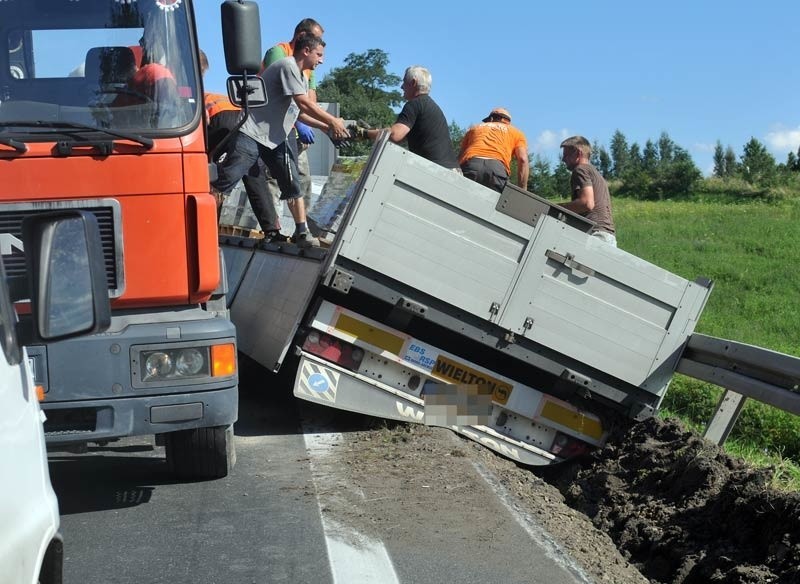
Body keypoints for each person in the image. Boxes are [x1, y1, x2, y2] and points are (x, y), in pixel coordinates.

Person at [211, 35, 349, 248]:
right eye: (319, 55)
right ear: (306, 51)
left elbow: (298, 113)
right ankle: (205, 225)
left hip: (275, 138)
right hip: (252, 133)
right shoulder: (287, 66)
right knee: (226, 180)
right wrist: (332, 120)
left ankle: (301, 231)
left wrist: (326, 128)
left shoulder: (302, 77)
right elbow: (303, 104)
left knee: (292, 182)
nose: (321, 60)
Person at [200, 51, 285, 238]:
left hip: (218, 118)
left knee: (204, 171)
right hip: (241, 118)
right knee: (253, 171)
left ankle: (207, 228)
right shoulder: (212, 94)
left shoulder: (192, 91)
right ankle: (271, 227)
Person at [260, 18, 324, 236]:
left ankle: (301, 229)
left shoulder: (309, 66)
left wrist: (308, 123)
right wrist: (312, 121)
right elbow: (278, 95)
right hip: (272, 127)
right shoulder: (279, 53)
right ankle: (273, 229)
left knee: (302, 179)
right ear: (301, 38)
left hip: (294, 127)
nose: (319, 45)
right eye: (316, 39)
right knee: (276, 179)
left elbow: (309, 99)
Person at [353, 66, 459, 170]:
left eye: (404, 82)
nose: (402, 87)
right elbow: (401, 138)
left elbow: (395, 135)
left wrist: (364, 133)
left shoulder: (414, 104)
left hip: (436, 171)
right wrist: (375, 132)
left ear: (413, 83)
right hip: (451, 172)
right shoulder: (429, 106)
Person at [558, 136, 617, 247]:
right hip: (606, 235)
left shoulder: (580, 169)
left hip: (595, 235)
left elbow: (587, 203)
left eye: (566, 155)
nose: (563, 159)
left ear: (578, 153)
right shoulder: (595, 172)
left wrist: (558, 208)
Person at [459, 107, 529, 192]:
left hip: (471, 165)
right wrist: (522, 190)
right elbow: (523, 159)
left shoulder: (474, 128)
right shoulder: (517, 133)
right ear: (508, 122)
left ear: (491, 119)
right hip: (496, 171)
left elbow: (460, 157)